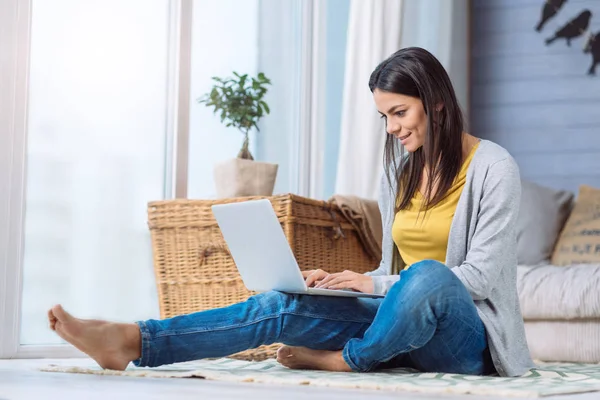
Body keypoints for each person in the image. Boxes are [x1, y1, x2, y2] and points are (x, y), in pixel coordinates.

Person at [47, 47, 535, 377]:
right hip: (402, 325)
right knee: (282, 302)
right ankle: (135, 342)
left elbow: (477, 281)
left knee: (431, 276)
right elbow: (392, 276)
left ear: (437, 105)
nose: (390, 128)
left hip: (463, 342)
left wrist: (375, 284)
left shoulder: (493, 167)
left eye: (399, 113)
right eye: (384, 116)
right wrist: (350, 280)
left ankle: (345, 362)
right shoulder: (401, 173)